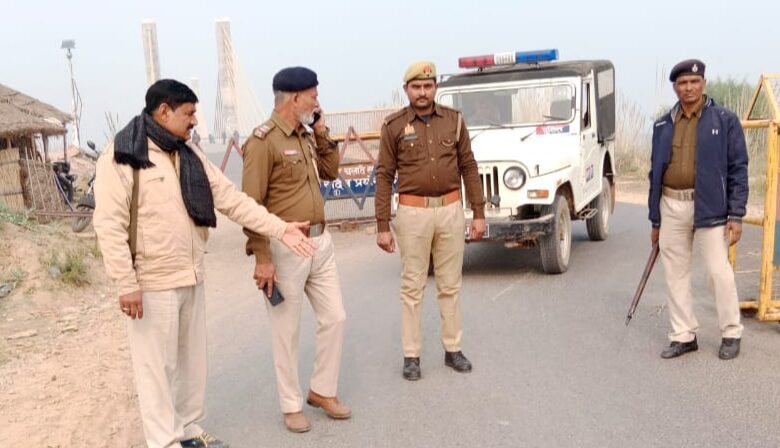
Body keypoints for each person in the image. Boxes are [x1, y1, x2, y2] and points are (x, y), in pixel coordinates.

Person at [93, 79, 315, 448]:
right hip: (151, 281)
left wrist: (280, 229)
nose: (195, 121)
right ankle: (164, 441)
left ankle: (187, 430)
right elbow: (108, 224)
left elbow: (231, 200)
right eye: (189, 113)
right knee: (156, 369)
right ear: (164, 111)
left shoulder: (188, 153)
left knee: (191, 364)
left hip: (191, 273)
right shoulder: (123, 155)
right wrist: (126, 282)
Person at [241, 66, 350, 433]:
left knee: (335, 317)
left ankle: (323, 390)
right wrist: (262, 257)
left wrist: (321, 132)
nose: (318, 102)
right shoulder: (263, 141)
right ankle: (291, 405)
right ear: (295, 98)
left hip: (321, 242)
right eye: (313, 97)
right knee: (286, 331)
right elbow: (250, 206)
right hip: (285, 247)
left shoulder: (306, 135)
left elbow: (331, 172)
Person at [374, 61, 486, 381]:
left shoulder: (454, 120)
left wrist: (478, 213)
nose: (422, 92)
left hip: (450, 210)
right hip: (413, 214)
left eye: (428, 86)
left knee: (450, 285)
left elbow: (468, 166)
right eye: (416, 87)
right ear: (406, 89)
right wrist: (382, 225)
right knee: (412, 286)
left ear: (435, 87)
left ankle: (453, 349)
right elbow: (384, 175)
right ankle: (411, 356)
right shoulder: (394, 126)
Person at [648, 59, 749, 360]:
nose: (688, 88)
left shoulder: (725, 120)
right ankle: (683, 335)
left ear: (703, 83)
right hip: (671, 205)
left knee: (719, 272)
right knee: (675, 274)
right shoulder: (662, 125)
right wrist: (655, 220)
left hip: (711, 208)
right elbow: (655, 172)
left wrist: (736, 215)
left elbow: (738, 168)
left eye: (694, 82)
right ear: (675, 87)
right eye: (682, 83)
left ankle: (731, 332)